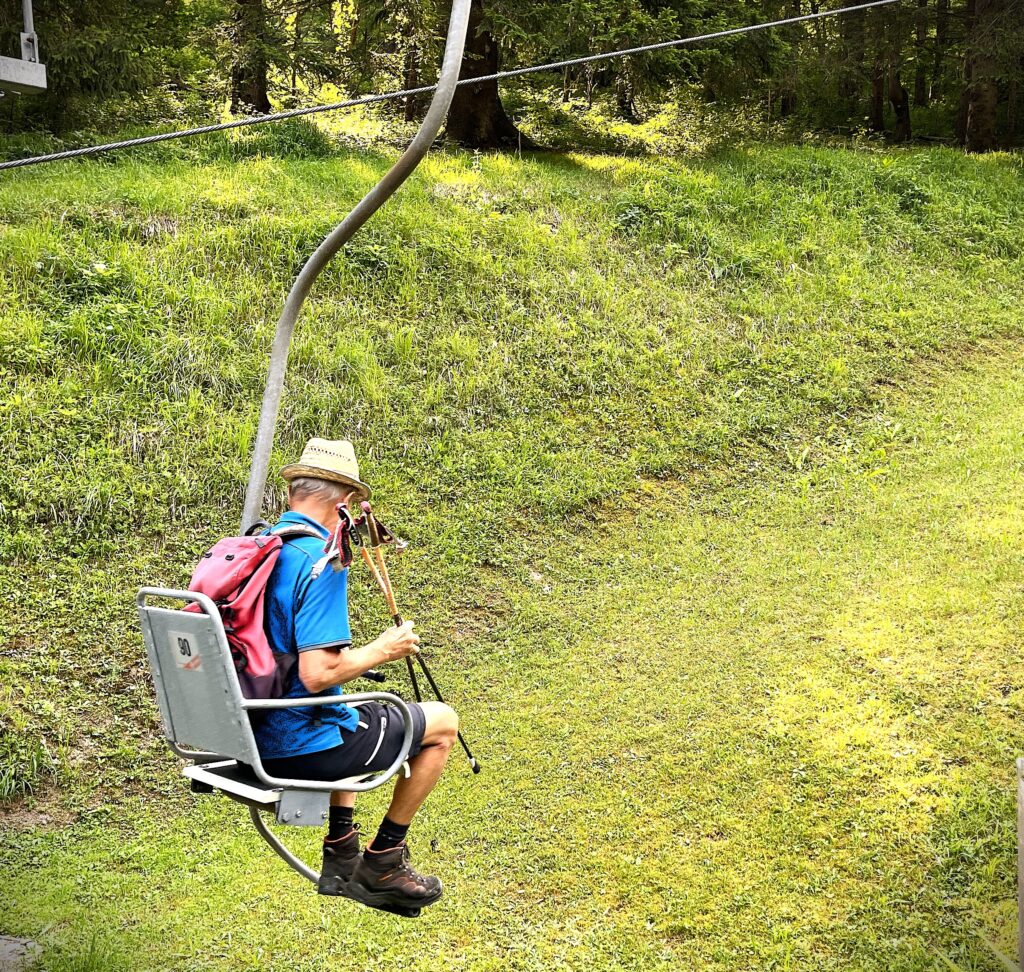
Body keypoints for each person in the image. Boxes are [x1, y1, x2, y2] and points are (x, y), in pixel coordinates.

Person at [255, 437, 459, 916]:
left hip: (250, 730)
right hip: (299, 747)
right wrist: (383, 650)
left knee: (354, 709)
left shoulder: (261, 548)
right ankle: (384, 859)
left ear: (293, 494)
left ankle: (342, 848)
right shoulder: (321, 562)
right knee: (442, 722)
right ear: (345, 504)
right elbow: (319, 673)